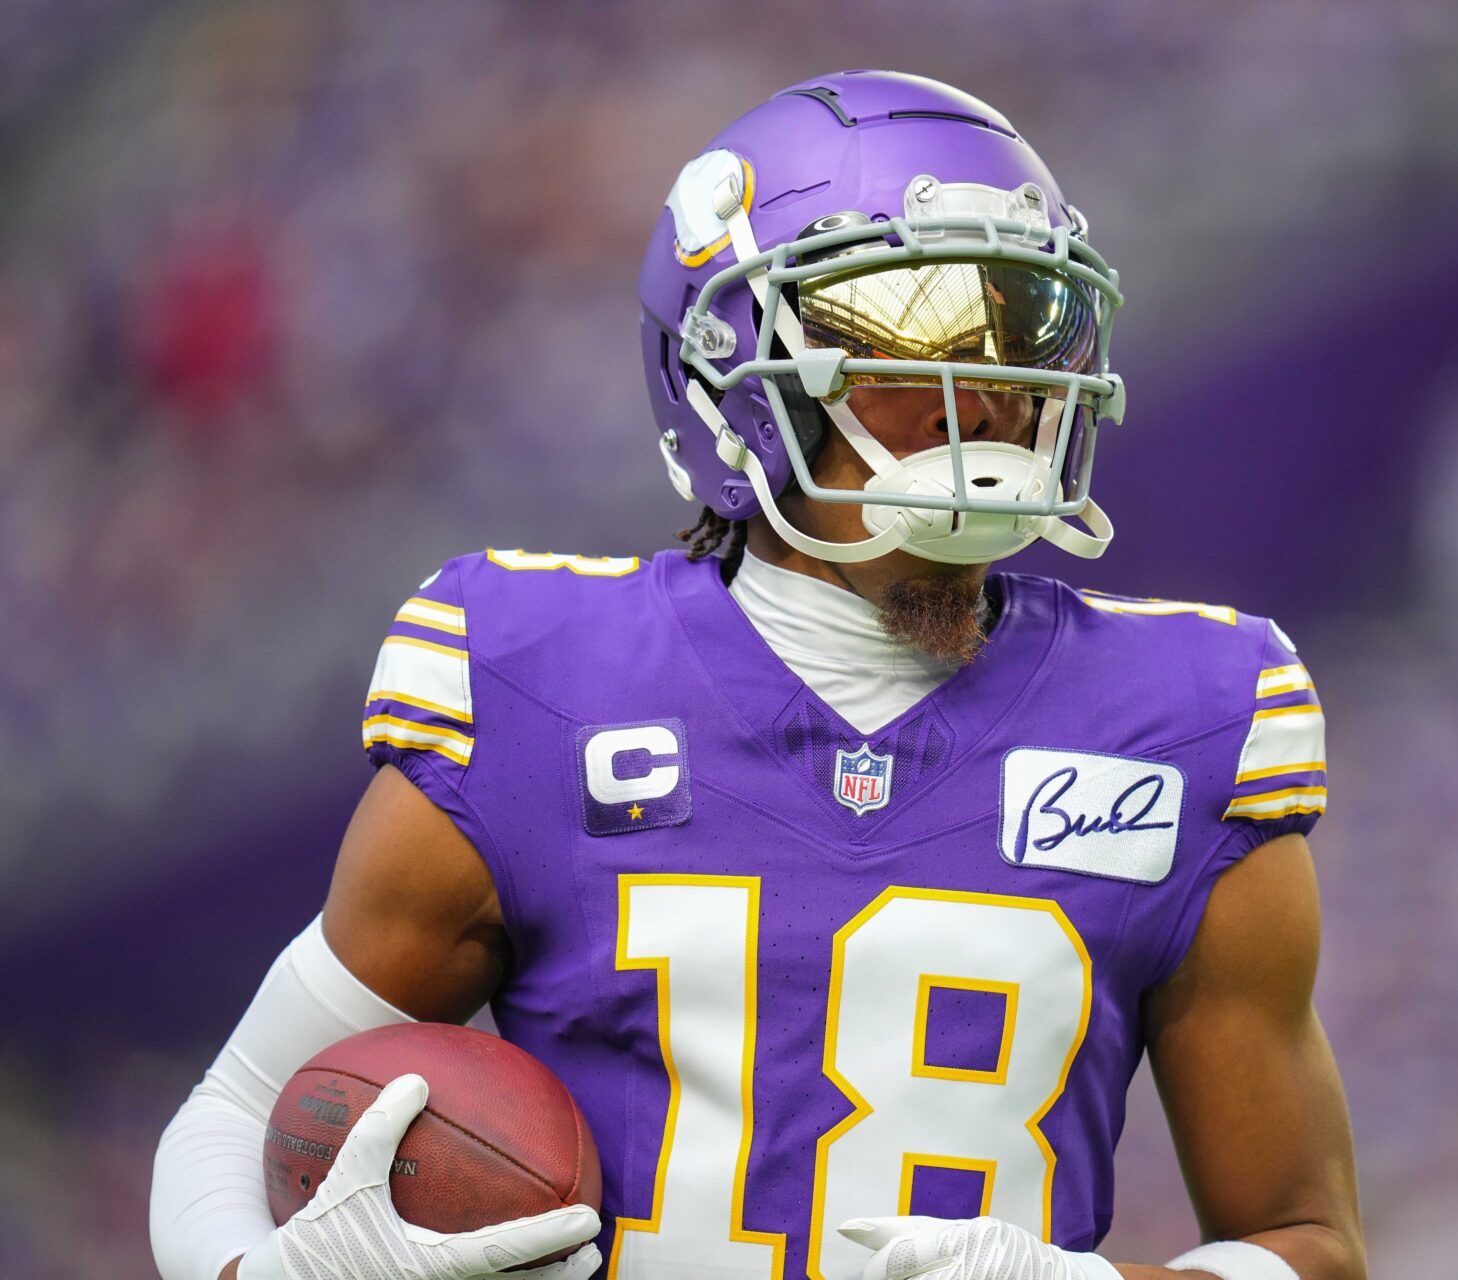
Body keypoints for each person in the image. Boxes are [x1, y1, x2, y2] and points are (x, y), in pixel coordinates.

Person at [150, 71, 1365, 1280]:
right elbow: (227, 1121)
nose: (989, 394)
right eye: (914, 336)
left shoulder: (1187, 722)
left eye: (1023, 327)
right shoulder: (536, 685)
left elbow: (1313, 1248)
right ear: (733, 379)